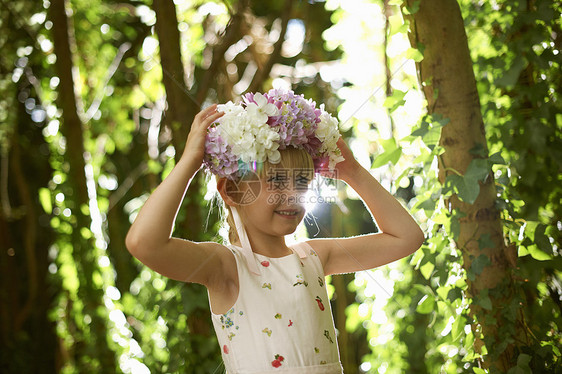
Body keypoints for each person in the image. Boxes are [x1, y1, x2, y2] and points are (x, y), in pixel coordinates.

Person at [126, 89, 425, 373]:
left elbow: (407, 237)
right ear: (232, 191)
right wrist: (189, 163)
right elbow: (144, 243)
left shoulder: (315, 258)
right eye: (277, 182)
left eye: (302, 183)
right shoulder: (226, 267)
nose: (293, 195)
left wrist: (353, 172)